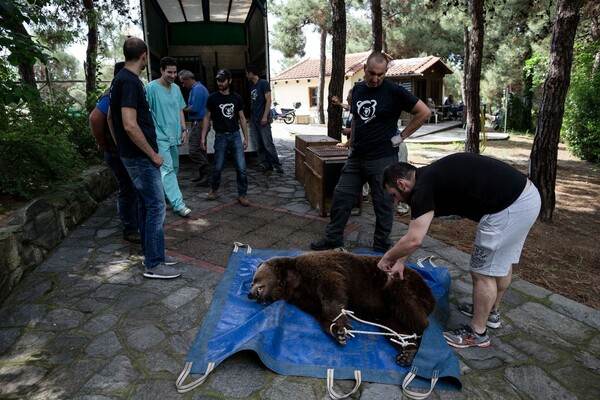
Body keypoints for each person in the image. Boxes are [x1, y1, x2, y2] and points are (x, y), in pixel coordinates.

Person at [378, 153, 541, 348]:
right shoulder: (428, 177)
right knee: (500, 262)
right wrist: (400, 261)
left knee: (482, 272)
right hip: (525, 198)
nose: (396, 202)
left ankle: (477, 333)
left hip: (508, 208)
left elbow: (414, 239)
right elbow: (416, 234)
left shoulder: (423, 188)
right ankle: (491, 313)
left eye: (394, 195)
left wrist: (386, 258)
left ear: (402, 184)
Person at [310, 51, 430, 253]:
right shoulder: (357, 90)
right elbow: (357, 119)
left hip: (383, 159)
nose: (375, 79)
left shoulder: (394, 91)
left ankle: (381, 247)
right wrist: (351, 141)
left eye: (380, 74)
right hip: (356, 157)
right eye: (372, 73)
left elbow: (424, 112)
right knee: (341, 196)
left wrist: (402, 136)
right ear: (364, 69)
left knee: (383, 205)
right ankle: (333, 239)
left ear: (385, 73)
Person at [108, 37, 180, 279]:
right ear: (144, 56)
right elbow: (129, 124)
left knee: (144, 205)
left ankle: (153, 253)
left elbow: (110, 119)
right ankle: (153, 263)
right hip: (141, 157)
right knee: (157, 205)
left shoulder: (120, 80)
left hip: (132, 155)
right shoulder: (129, 82)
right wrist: (152, 154)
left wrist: (122, 149)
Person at [89, 62, 140, 244]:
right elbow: (95, 117)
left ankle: (134, 225)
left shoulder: (120, 91)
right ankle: (130, 229)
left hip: (124, 152)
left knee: (132, 189)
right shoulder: (112, 95)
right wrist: (103, 143)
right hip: (117, 153)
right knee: (127, 189)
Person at [145, 57, 192, 218]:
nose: (173, 75)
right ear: (162, 71)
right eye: (169, 72)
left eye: (175, 72)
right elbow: (145, 112)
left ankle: (165, 194)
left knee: (175, 167)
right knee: (168, 170)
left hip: (175, 135)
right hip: (159, 137)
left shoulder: (177, 89)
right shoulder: (150, 88)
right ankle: (179, 204)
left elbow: (180, 109)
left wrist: (184, 129)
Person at [200, 69, 250, 206]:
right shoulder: (212, 98)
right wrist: (203, 137)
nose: (219, 83)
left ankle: (242, 194)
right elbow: (206, 117)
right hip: (220, 136)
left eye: (222, 80)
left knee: (241, 167)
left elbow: (242, 118)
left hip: (235, 136)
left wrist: (246, 138)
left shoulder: (237, 98)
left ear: (230, 81)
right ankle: (214, 190)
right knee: (217, 166)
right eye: (218, 80)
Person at [245, 64, 284, 173]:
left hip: (263, 119)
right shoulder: (252, 86)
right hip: (254, 119)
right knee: (259, 145)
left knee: (268, 144)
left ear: (251, 73)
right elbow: (253, 103)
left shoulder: (263, 83)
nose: (246, 75)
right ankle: (266, 164)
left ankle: (277, 165)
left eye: (246, 73)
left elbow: (269, 100)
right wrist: (251, 116)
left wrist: (265, 116)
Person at [178, 69, 210, 185]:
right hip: (199, 123)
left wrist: (180, 109)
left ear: (188, 79)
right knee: (201, 150)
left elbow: (194, 108)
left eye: (183, 82)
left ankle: (207, 172)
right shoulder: (197, 88)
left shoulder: (197, 89)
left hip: (199, 123)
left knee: (193, 150)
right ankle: (204, 176)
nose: (182, 85)